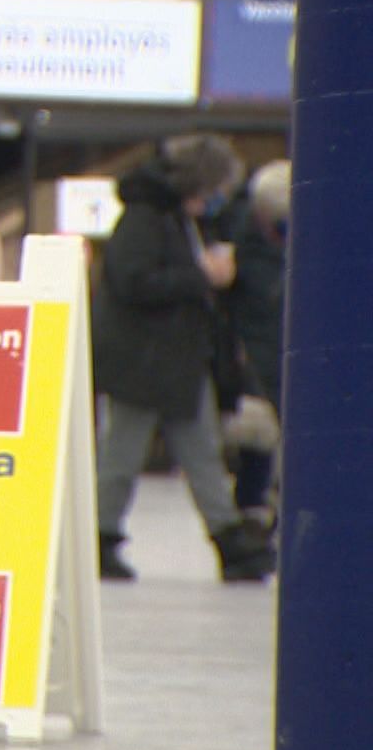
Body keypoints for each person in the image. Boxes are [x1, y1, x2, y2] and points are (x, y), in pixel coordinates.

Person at [92, 136, 274, 583]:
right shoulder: (146, 218)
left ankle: (228, 540)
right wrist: (200, 277)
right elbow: (133, 280)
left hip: (173, 360)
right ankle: (101, 538)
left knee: (200, 451)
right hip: (145, 361)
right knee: (125, 454)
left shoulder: (175, 219)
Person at [222, 160, 290, 530]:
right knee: (259, 438)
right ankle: (253, 510)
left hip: (279, 352)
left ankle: (266, 508)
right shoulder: (239, 241)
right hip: (252, 356)